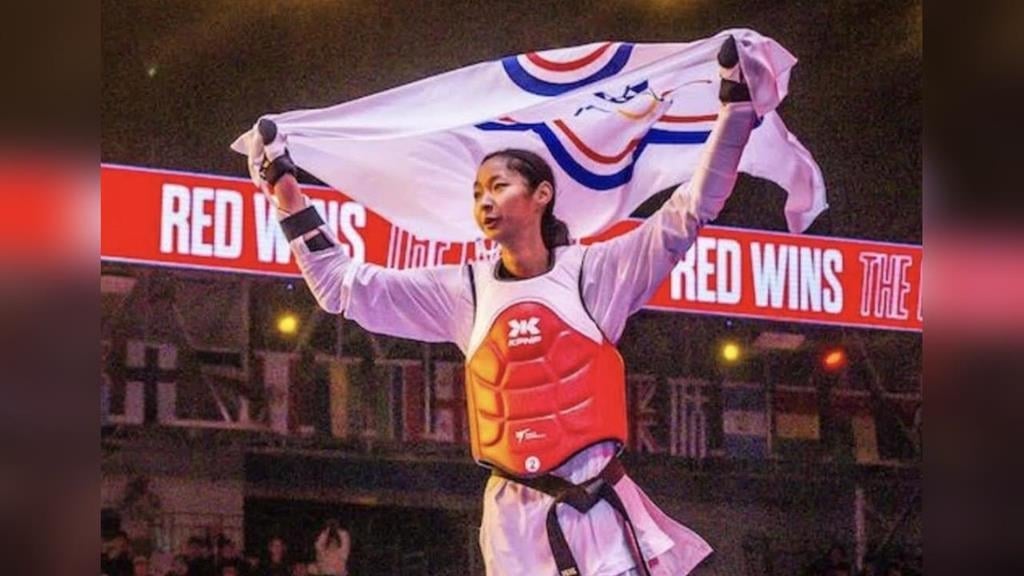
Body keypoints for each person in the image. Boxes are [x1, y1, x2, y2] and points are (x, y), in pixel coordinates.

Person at [254, 36, 756, 576]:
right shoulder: (463, 291)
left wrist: (735, 110)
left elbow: (691, 210)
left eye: (499, 186)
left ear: (542, 195)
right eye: (477, 193)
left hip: (598, 507)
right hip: (513, 521)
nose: (485, 201)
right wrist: (285, 191)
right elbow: (341, 286)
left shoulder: (597, 273)